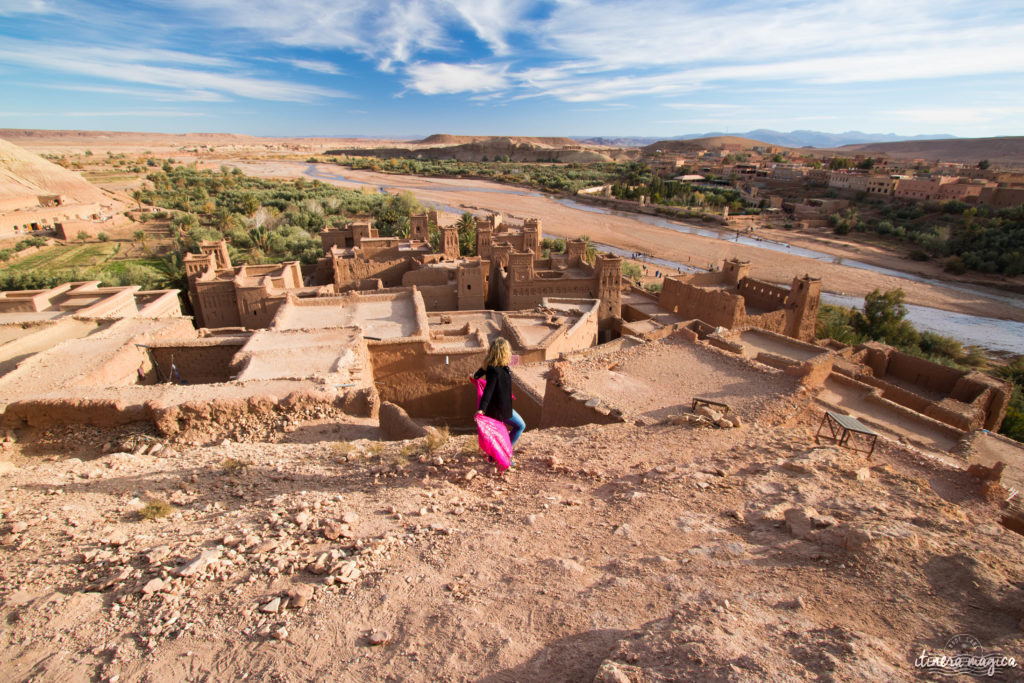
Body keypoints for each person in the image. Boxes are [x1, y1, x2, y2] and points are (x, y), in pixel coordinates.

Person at [474, 338, 525, 454]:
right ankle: (504, 452)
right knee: (520, 426)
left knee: (508, 431)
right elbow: (488, 390)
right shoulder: (494, 370)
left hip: (504, 407)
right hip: (499, 409)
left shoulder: (496, 366)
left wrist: (474, 376)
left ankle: (498, 454)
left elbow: (479, 374)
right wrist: (482, 409)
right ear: (503, 352)